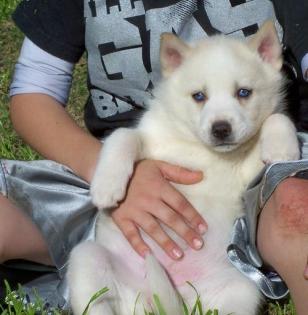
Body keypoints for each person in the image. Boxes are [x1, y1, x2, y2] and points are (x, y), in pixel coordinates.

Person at [0, 0, 307, 313]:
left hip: (223, 262)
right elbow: (33, 90)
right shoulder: (164, 120)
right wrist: (110, 170)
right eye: (200, 97)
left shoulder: (263, 124)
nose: (221, 120)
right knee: (87, 259)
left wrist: (277, 126)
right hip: (106, 204)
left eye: (242, 94)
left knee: (295, 213)